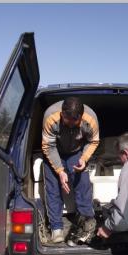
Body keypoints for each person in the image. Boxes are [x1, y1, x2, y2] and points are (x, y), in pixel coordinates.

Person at [42, 97, 99, 243]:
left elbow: (93, 141)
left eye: (76, 122)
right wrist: (60, 171)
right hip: (54, 151)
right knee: (53, 188)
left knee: (83, 184)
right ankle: (56, 228)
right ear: (62, 114)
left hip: (76, 152)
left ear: (81, 116)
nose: (72, 124)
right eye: (68, 121)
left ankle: (86, 224)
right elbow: (48, 146)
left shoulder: (90, 119)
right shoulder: (50, 117)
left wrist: (84, 158)